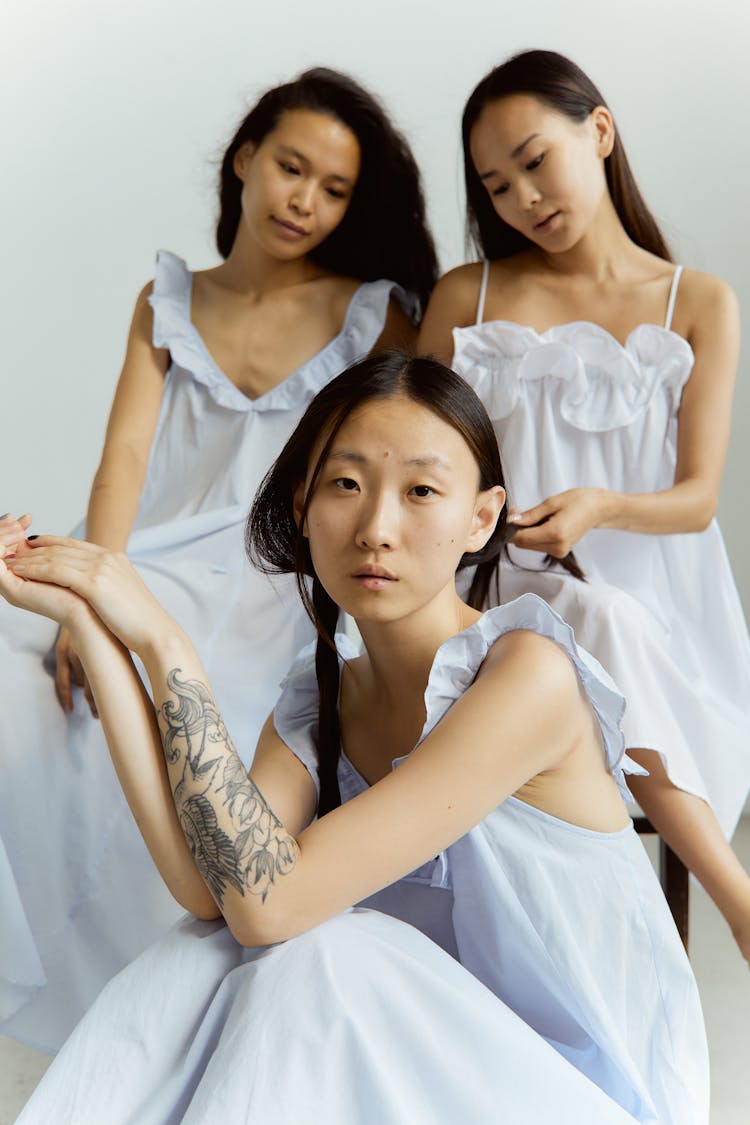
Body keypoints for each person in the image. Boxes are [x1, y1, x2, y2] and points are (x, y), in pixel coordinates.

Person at [1, 353, 706, 1124]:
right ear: (302, 503)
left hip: (576, 1086)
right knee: (202, 949)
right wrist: (95, 628)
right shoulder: (322, 695)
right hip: (419, 1067)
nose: (377, 528)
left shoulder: (527, 678)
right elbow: (213, 889)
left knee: (321, 950)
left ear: (481, 518)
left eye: (422, 491)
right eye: (345, 484)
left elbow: (271, 906)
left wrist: (167, 641)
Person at [0, 67, 438, 1049]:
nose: (305, 202)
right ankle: (76, 983)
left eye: (334, 190)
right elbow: (123, 460)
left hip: (284, 576)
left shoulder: (375, 310)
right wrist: (87, 593)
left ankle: (184, 993)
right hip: (155, 562)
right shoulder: (167, 299)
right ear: (244, 158)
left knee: (209, 698)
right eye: (292, 169)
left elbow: (393, 461)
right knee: (24, 690)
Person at [417, 48, 750, 962]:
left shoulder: (698, 302)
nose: (522, 195)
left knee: (602, 612)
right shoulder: (467, 296)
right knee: (576, 613)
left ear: (598, 131)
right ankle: (739, 898)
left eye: (535, 160)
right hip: (495, 600)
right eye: (496, 184)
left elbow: (695, 500)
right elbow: (415, 448)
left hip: (665, 614)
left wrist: (599, 508)